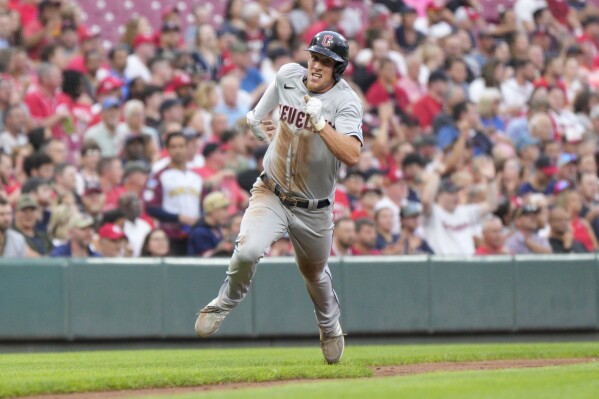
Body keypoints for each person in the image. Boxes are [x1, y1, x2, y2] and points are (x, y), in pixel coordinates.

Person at [195, 31, 362, 365]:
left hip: (314, 207)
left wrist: (321, 125)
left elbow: (352, 154)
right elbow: (260, 111)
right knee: (249, 250)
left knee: (313, 272)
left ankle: (329, 328)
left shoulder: (346, 101)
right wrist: (256, 121)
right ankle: (223, 302)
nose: (316, 65)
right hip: (272, 190)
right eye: (315, 57)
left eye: (326, 62)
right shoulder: (288, 76)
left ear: (338, 69)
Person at [143, 132, 202, 255]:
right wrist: (178, 217)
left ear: (187, 148)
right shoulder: (159, 176)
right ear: (167, 149)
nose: (177, 151)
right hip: (170, 236)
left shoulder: (196, 178)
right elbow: (150, 208)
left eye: (181, 146)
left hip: (194, 235)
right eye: (173, 147)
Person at [187, 191, 232, 257]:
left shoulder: (217, 228)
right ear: (212, 210)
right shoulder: (199, 232)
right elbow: (203, 258)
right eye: (223, 209)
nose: (227, 214)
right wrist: (219, 249)